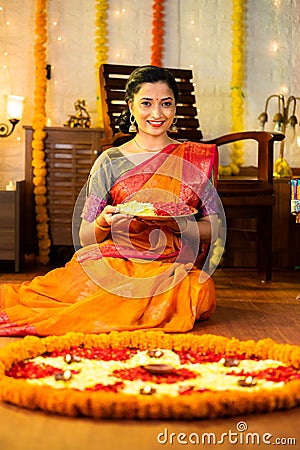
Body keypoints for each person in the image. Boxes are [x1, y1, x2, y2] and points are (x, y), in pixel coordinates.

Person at [0, 65, 221, 336]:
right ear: (130, 106)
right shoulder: (110, 161)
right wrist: (104, 221)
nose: (157, 113)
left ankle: (117, 310)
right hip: (117, 258)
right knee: (89, 285)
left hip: (172, 266)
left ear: (175, 107)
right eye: (146, 103)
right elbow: (85, 237)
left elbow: (213, 228)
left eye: (166, 104)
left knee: (199, 291)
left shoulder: (195, 157)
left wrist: (179, 224)